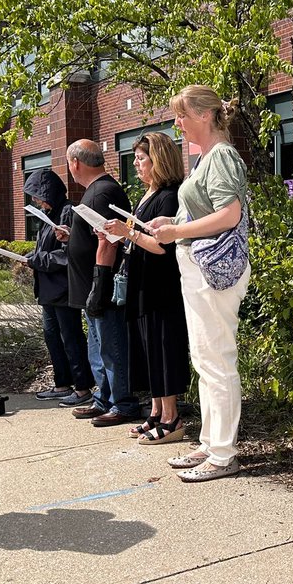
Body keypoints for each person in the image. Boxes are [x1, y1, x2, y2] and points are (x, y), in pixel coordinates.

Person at [149, 86, 250, 481]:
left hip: (212, 271)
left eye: (182, 115)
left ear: (206, 116)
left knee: (217, 359)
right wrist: (172, 226)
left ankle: (223, 454)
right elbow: (209, 213)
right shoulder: (207, 157)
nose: (177, 123)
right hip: (200, 268)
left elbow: (229, 215)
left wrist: (178, 230)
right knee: (206, 359)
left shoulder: (221, 156)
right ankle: (211, 444)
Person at [103, 131, 190, 444]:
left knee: (162, 349)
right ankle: (155, 412)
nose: (136, 165)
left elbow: (162, 246)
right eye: (136, 159)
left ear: (159, 160)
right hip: (142, 283)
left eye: (142, 159)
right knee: (148, 349)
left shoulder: (169, 195)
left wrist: (128, 234)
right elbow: (139, 234)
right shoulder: (148, 194)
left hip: (162, 286)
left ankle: (172, 417)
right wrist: (117, 232)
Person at [59, 139, 141, 425]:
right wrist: (73, 236)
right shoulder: (99, 191)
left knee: (110, 345)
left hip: (101, 285)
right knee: (98, 345)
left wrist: (99, 285)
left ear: (75, 163)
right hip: (91, 284)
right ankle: (103, 397)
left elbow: (109, 242)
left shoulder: (101, 193)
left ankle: (123, 402)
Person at [23, 168, 94, 407]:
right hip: (48, 291)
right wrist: (33, 255)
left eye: (37, 195)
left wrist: (37, 260)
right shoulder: (49, 214)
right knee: (52, 337)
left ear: (48, 192)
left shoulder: (66, 212)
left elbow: (66, 255)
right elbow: (47, 248)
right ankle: (62, 383)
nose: (35, 200)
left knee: (70, 337)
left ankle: (83, 387)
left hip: (63, 288)